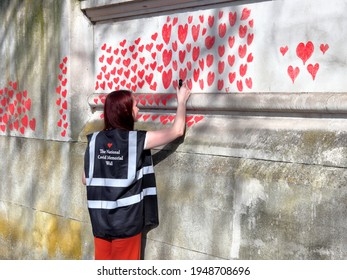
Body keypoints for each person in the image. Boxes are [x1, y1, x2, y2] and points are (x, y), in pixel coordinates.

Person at [82, 83, 191, 260]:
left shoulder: (94, 140)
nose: (138, 107)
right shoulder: (135, 140)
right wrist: (181, 102)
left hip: (99, 222)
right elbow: (177, 131)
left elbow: (86, 179)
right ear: (125, 111)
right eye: (134, 105)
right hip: (125, 223)